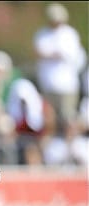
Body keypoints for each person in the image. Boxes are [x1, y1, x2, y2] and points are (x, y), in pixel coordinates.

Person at [33, 2, 87, 135]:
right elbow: (39, 52)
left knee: (68, 119)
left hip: (67, 86)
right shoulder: (42, 34)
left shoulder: (69, 34)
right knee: (49, 121)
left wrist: (52, 54)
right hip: (47, 85)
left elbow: (71, 55)